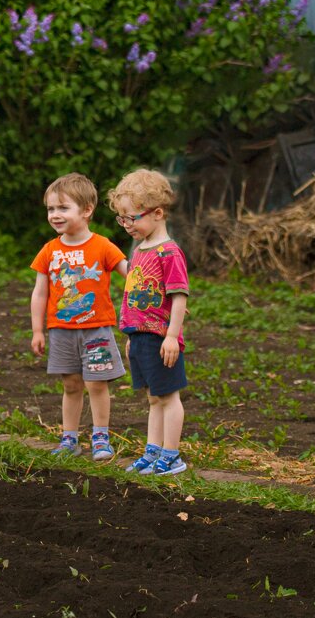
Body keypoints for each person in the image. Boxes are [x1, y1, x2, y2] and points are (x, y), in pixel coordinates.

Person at [29, 173, 129, 462]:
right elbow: (39, 293)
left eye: (63, 208)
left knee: (97, 384)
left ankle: (101, 436)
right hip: (61, 330)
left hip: (96, 329)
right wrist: (38, 331)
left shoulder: (103, 246)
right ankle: (69, 438)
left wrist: (157, 289)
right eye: (51, 209)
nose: (55, 215)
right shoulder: (49, 250)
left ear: (87, 210)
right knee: (71, 384)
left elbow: (130, 275)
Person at [107, 169, 190, 476]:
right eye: (122, 218)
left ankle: (172, 456)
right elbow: (135, 294)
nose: (127, 225)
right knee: (154, 398)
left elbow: (179, 296)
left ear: (157, 213)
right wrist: (132, 334)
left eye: (132, 218)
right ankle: (152, 451)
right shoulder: (141, 250)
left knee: (169, 397)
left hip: (161, 338)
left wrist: (171, 336)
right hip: (142, 337)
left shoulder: (169, 252)